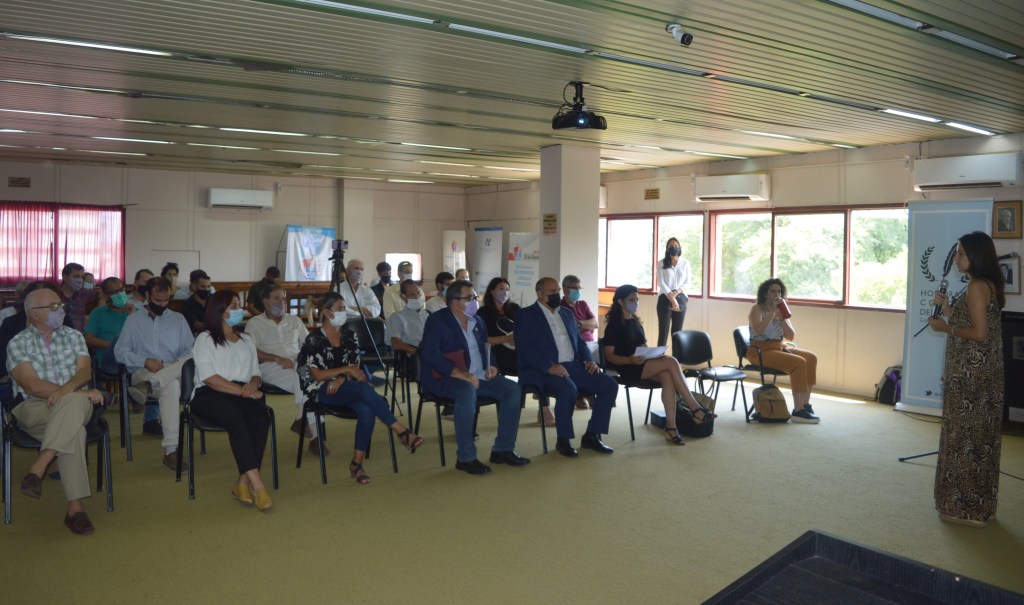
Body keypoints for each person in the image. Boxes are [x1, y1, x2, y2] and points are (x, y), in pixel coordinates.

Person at [7, 285, 107, 534]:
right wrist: (76, 393)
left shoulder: (74, 336)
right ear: (34, 313)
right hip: (34, 406)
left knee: (72, 405)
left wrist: (68, 393)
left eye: (60, 305)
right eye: (53, 307)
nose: (61, 310)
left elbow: (84, 372)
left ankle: (40, 466)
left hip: (75, 405)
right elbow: (31, 385)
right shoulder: (18, 343)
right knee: (76, 431)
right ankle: (75, 509)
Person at [297, 291, 425, 484]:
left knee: (367, 409)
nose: (344, 312)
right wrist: (346, 371)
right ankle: (401, 431)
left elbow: (354, 368)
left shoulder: (349, 336)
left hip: (346, 386)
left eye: (344, 308)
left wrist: (342, 377)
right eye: (340, 309)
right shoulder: (314, 339)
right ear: (327, 312)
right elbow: (317, 375)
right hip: (320, 389)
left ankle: (356, 465)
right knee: (366, 391)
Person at [927, 231, 1005, 527]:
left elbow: (979, 334)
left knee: (963, 440)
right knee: (979, 440)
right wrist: (948, 310)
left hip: (971, 376)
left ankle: (962, 510)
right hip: (982, 373)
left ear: (976, 255)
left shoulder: (975, 286)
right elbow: (973, 323)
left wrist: (944, 327)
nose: (956, 258)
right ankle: (980, 507)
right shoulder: (987, 284)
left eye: (961, 253)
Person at [420, 279, 530, 474]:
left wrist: (492, 366)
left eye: (474, 297)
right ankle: (466, 458)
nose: (474, 302)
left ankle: (503, 449)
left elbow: (486, 348)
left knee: (513, 389)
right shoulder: (438, 321)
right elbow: (429, 354)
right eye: (469, 298)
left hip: (479, 376)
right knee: (467, 391)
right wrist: (460, 373)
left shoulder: (477, 321)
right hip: (447, 378)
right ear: (455, 301)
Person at [515, 277, 618, 458]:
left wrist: (589, 360)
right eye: (552, 292)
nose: (557, 295)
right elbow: (525, 349)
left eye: (558, 291)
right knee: (568, 389)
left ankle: (592, 435)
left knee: (609, 385)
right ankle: (563, 440)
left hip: (574, 366)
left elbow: (580, 343)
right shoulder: (525, 315)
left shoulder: (567, 313)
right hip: (544, 369)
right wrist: (548, 367)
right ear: (540, 294)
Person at [190, 289, 273, 511]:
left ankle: (243, 482)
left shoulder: (246, 339)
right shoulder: (205, 339)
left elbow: (256, 372)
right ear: (220, 311)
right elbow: (209, 378)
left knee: (260, 418)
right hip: (210, 393)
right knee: (236, 419)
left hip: (242, 391)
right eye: (234, 306)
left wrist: (253, 384)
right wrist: (243, 391)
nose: (240, 310)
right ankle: (258, 486)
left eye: (239, 305)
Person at [603, 284, 716, 445]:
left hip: (642, 364)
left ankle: (671, 428)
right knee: (672, 361)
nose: (635, 303)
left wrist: (654, 354)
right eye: (631, 300)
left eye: (637, 299)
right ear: (620, 302)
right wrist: (629, 360)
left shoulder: (635, 322)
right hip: (628, 367)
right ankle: (695, 408)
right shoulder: (614, 325)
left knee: (667, 376)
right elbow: (609, 356)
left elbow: (642, 347)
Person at [114, 276, 194, 469]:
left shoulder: (178, 319)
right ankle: (171, 451)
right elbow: (120, 352)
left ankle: (150, 385)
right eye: (158, 300)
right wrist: (145, 361)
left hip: (173, 369)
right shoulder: (133, 321)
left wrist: (171, 366)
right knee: (171, 386)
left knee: (185, 365)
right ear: (148, 296)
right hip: (144, 371)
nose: (163, 305)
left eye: (167, 300)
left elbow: (190, 351)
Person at [245, 284, 319, 453]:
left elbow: (309, 344)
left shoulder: (294, 320)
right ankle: (314, 435)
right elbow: (250, 351)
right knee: (310, 384)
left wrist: (304, 356)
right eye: (277, 298)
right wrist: (276, 358)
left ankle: (303, 422)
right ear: (265, 302)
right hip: (271, 366)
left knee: (309, 381)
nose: (282, 302)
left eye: (284, 299)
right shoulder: (254, 324)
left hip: (297, 364)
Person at [477, 277, 556, 426]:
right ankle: (544, 409)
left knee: (539, 362)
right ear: (492, 291)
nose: (505, 292)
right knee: (532, 365)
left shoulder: (515, 309)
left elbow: (528, 330)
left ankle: (542, 408)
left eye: (507, 289)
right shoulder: (483, 313)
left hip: (520, 350)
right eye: (501, 289)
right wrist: (505, 339)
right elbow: (481, 340)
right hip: (498, 353)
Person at [747, 278, 819, 423]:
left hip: (779, 346)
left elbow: (790, 336)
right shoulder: (757, 309)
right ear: (765, 293)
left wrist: (781, 319)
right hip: (760, 350)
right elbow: (759, 331)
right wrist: (772, 313)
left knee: (811, 358)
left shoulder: (781, 310)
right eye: (773, 291)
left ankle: (805, 405)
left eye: (779, 291)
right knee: (799, 362)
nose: (776, 294)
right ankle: (798, 410)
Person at [561, 274, 599, 410]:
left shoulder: (583, 304)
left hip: (591, 343)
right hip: (576, 345)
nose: (578, 291)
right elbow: (569, 330)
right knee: (584, 360)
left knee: (602, 355)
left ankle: (592, 392)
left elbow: (595, 324)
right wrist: (586, 325)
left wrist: (579, 324)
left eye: (579, 288)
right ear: (565, 289)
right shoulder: (561, 307)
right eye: (575, 288)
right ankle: (584, 394)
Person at [84, 277, 135, 375]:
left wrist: (133, 316)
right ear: (106, 296)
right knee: (118, 339)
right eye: (115, 292)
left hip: (133, 356)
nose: (120, 294)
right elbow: (89, 340)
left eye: (122, 290)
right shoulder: (98, 313)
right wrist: (114, 345)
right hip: (109, 359)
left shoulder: (134, 311)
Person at [657, 237, 691, 352]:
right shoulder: (661, 263)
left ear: (679, 248)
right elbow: (661, 282)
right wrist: (671, 297)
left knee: (677, 332)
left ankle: (676, 359)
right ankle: (659, 358)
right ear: (667, 249)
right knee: (663, 331)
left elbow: (687, 282)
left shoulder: (685, 263)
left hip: (681, 296)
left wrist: (676, 293)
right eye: (671, 246)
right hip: (665, 296)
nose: (674, 248)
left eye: (676, 246)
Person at [386, 279, 427, 355]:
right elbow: (396, 343)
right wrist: (418, 352)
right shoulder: (396, 317)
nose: (417, 297)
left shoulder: (428, 314)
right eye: (412, 294)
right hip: (413, 356)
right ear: (403, 297)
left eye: (418, 293)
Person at [59, 262, 99, 332]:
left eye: (82, 277)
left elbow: (103, 294)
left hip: (79, 335)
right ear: (65, 277)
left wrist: (95, 314)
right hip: (58, 335)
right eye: (76, 276)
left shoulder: (83, 293)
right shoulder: (53, 295)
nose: (80, 280)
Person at [181, 269, 213, 334]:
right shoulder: (187, 304)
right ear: (195, 287)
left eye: (208, 287)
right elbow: (196, 325)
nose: (206, 289)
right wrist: (216, 325)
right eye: (203, 286)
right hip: (197, 335)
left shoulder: (215, 299)